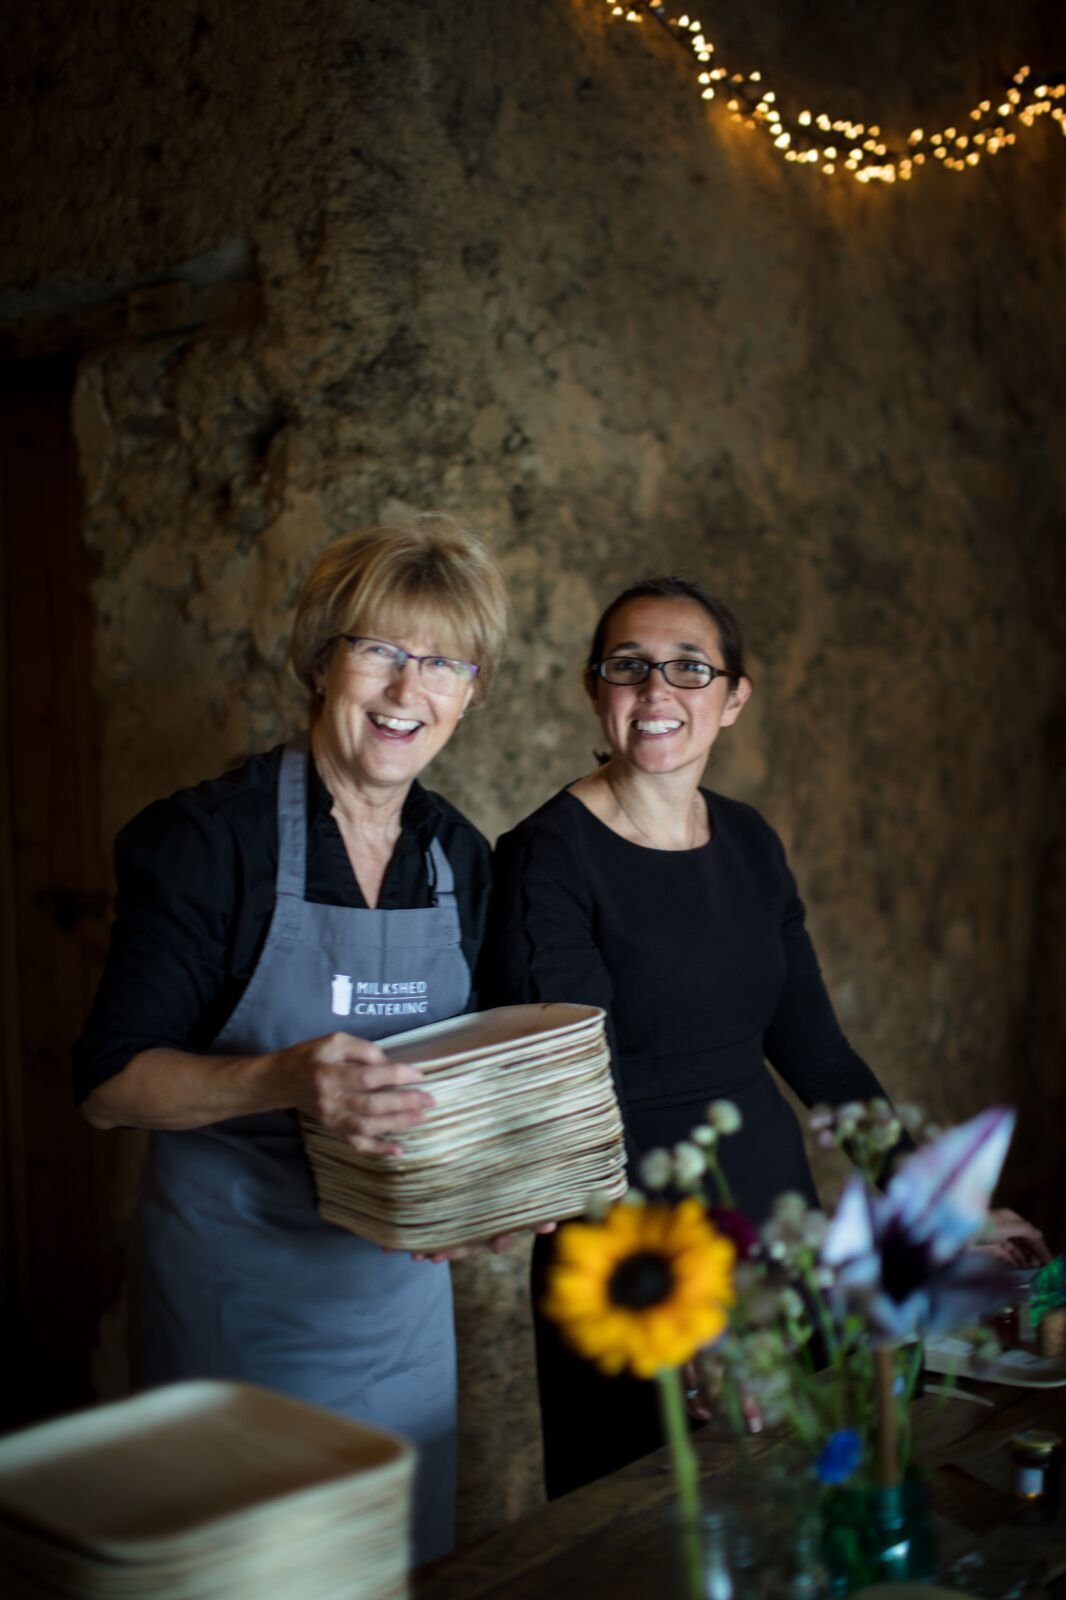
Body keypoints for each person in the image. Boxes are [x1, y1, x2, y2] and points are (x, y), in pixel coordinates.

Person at [487, 574, 1049, 1499]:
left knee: (790, 1506)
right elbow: (574, 1106)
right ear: (596, 689)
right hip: (627, 1254)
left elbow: (819, 1055)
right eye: (629, 667)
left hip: (769, 1223)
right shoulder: (547, 856)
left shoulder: (750, 843)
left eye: (689, 668)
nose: (657, 691)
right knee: (642, 1532)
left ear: (733, 698)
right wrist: (669, 1304)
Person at [75, 513, 510, 1563]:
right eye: (382, 652)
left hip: (398, 1311)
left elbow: (471, 1076)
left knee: (396, 1566)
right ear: (326, 663)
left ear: (471, 692)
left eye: (443, 662)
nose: (410, 690)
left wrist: (485, 1194)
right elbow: (110, 1086)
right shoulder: (207, 841)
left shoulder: (460, 858)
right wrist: (282, 1077)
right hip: (238, 1300)